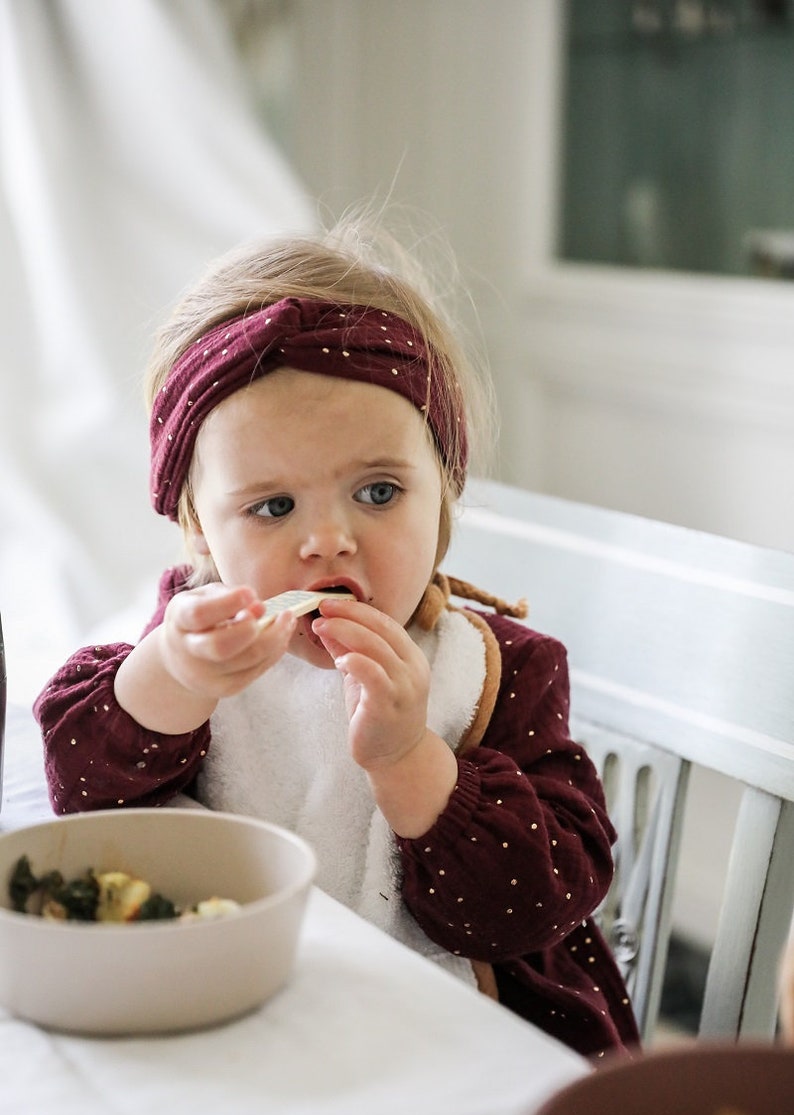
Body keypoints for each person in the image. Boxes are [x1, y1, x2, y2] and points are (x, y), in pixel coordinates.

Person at [34, 215, 639, 1060]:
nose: (329, 541)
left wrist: (411, 762)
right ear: (203, 533)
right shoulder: (194, 647)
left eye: (380, 492)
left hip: (456, 1043)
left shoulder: (497, 671)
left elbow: (543, 899)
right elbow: (81, 794)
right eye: (273, 507)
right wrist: (170, 677)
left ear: (444, 496)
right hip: (246, 1027)